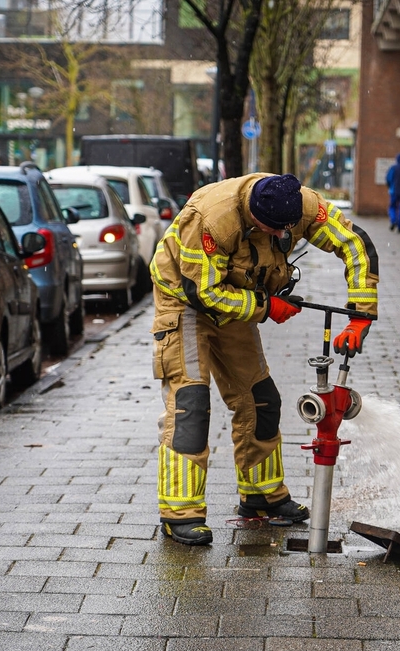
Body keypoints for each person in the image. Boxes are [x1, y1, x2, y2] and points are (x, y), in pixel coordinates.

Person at [150, 173, 379, 546]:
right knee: (191, 402)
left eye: (285, 232)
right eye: (269, 230)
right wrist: (266, 306)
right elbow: (202, 293)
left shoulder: (300, 205)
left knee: (261, 398)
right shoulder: (211, 218)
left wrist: (360, 314)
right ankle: (180, 514)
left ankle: (262, 497)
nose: (279, 238)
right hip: (185, 302)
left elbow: (355, 244)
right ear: (253, 214)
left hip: (237, 299)